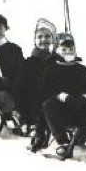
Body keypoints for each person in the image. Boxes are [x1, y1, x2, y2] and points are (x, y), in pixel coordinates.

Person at [38, 33, 86, 158]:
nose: (67, 52)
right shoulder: (50, 70)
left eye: (70, 49)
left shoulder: (82, 70)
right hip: (63, 113)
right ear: (57, 50)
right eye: (64, 49)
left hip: (82, 111)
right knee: (48, 104)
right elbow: (44, 92)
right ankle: (62, 141)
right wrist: (62, 97)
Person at [14, 18, 59, 146]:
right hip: (35, 107)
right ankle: (37, 129)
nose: (44, 39)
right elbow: (20, 90)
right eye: (40, 37)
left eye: (47, 36)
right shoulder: (28, 63)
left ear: (53, 39)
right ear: (35, 41)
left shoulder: (59, 60)